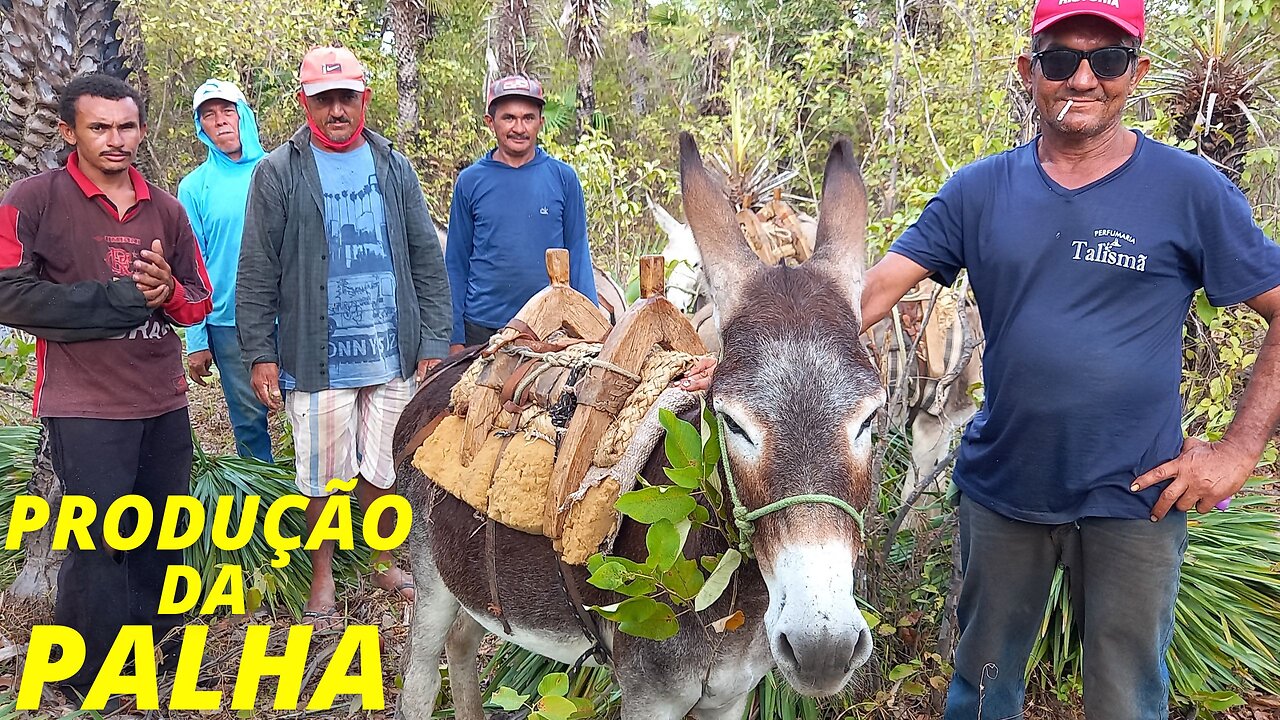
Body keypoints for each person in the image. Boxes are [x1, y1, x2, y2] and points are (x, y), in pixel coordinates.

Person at [683, 0, 1280, 715]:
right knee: (984, 681)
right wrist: (755, 353)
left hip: (1136, 499)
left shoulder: (1190, 192)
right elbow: (858, 297)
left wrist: (1239, 451)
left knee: (1126, 697)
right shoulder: (978, 191)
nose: (1082, 78)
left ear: (1138, 71)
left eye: (1108, 58)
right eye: (1060, 59)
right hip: (1004, 495)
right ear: (1029, 71)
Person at [0, 73, 213, 701]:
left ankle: (152, 659)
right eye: (99, 127)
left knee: (161, 535)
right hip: (84, 404)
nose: (115, 140)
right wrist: (117, 302)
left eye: (126, 126)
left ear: (141, 128)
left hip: (163, 400)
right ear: (69, 131)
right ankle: (83, 677)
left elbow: (199, 300)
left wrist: (166, 294)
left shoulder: (167, 210)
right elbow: (8, 290)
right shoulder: (33, 201)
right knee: (96, 544)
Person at [237, 46, 452, 627]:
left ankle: (382, 561)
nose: (337, 109)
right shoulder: (278, 172)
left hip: (391, 352)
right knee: (320, 477)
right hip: (316, 355)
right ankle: (324, 575)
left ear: (365, 99)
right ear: (305, 102)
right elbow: (256, 268)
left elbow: (424, 259)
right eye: (324, 99)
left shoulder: (392, 166)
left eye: (347, 97)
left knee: (384, 471)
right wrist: (259, 352)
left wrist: (434, 339)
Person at [445, 74, 597, 352]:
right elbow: (456, 262)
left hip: (549, 328)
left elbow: (578, 253)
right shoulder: (470, 181)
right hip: (482, 326)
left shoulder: (563, 178)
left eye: (528, 118)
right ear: (490, 122)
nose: (519, 127)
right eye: (509, 118)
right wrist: (455, 337)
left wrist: (593, 327)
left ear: (541, 120)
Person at [177, 79, 273, 461]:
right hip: (228, 323)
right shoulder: (194, 187)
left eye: (227, 111)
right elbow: (191, 263)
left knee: (309, 413)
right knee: (249, 419)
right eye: (209, 116)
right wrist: (197, 339)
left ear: (244, 116)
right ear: (201, 127)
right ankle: (265, 504)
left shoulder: (278, 169)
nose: (220, 122)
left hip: (288, 315)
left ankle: (317, 501)